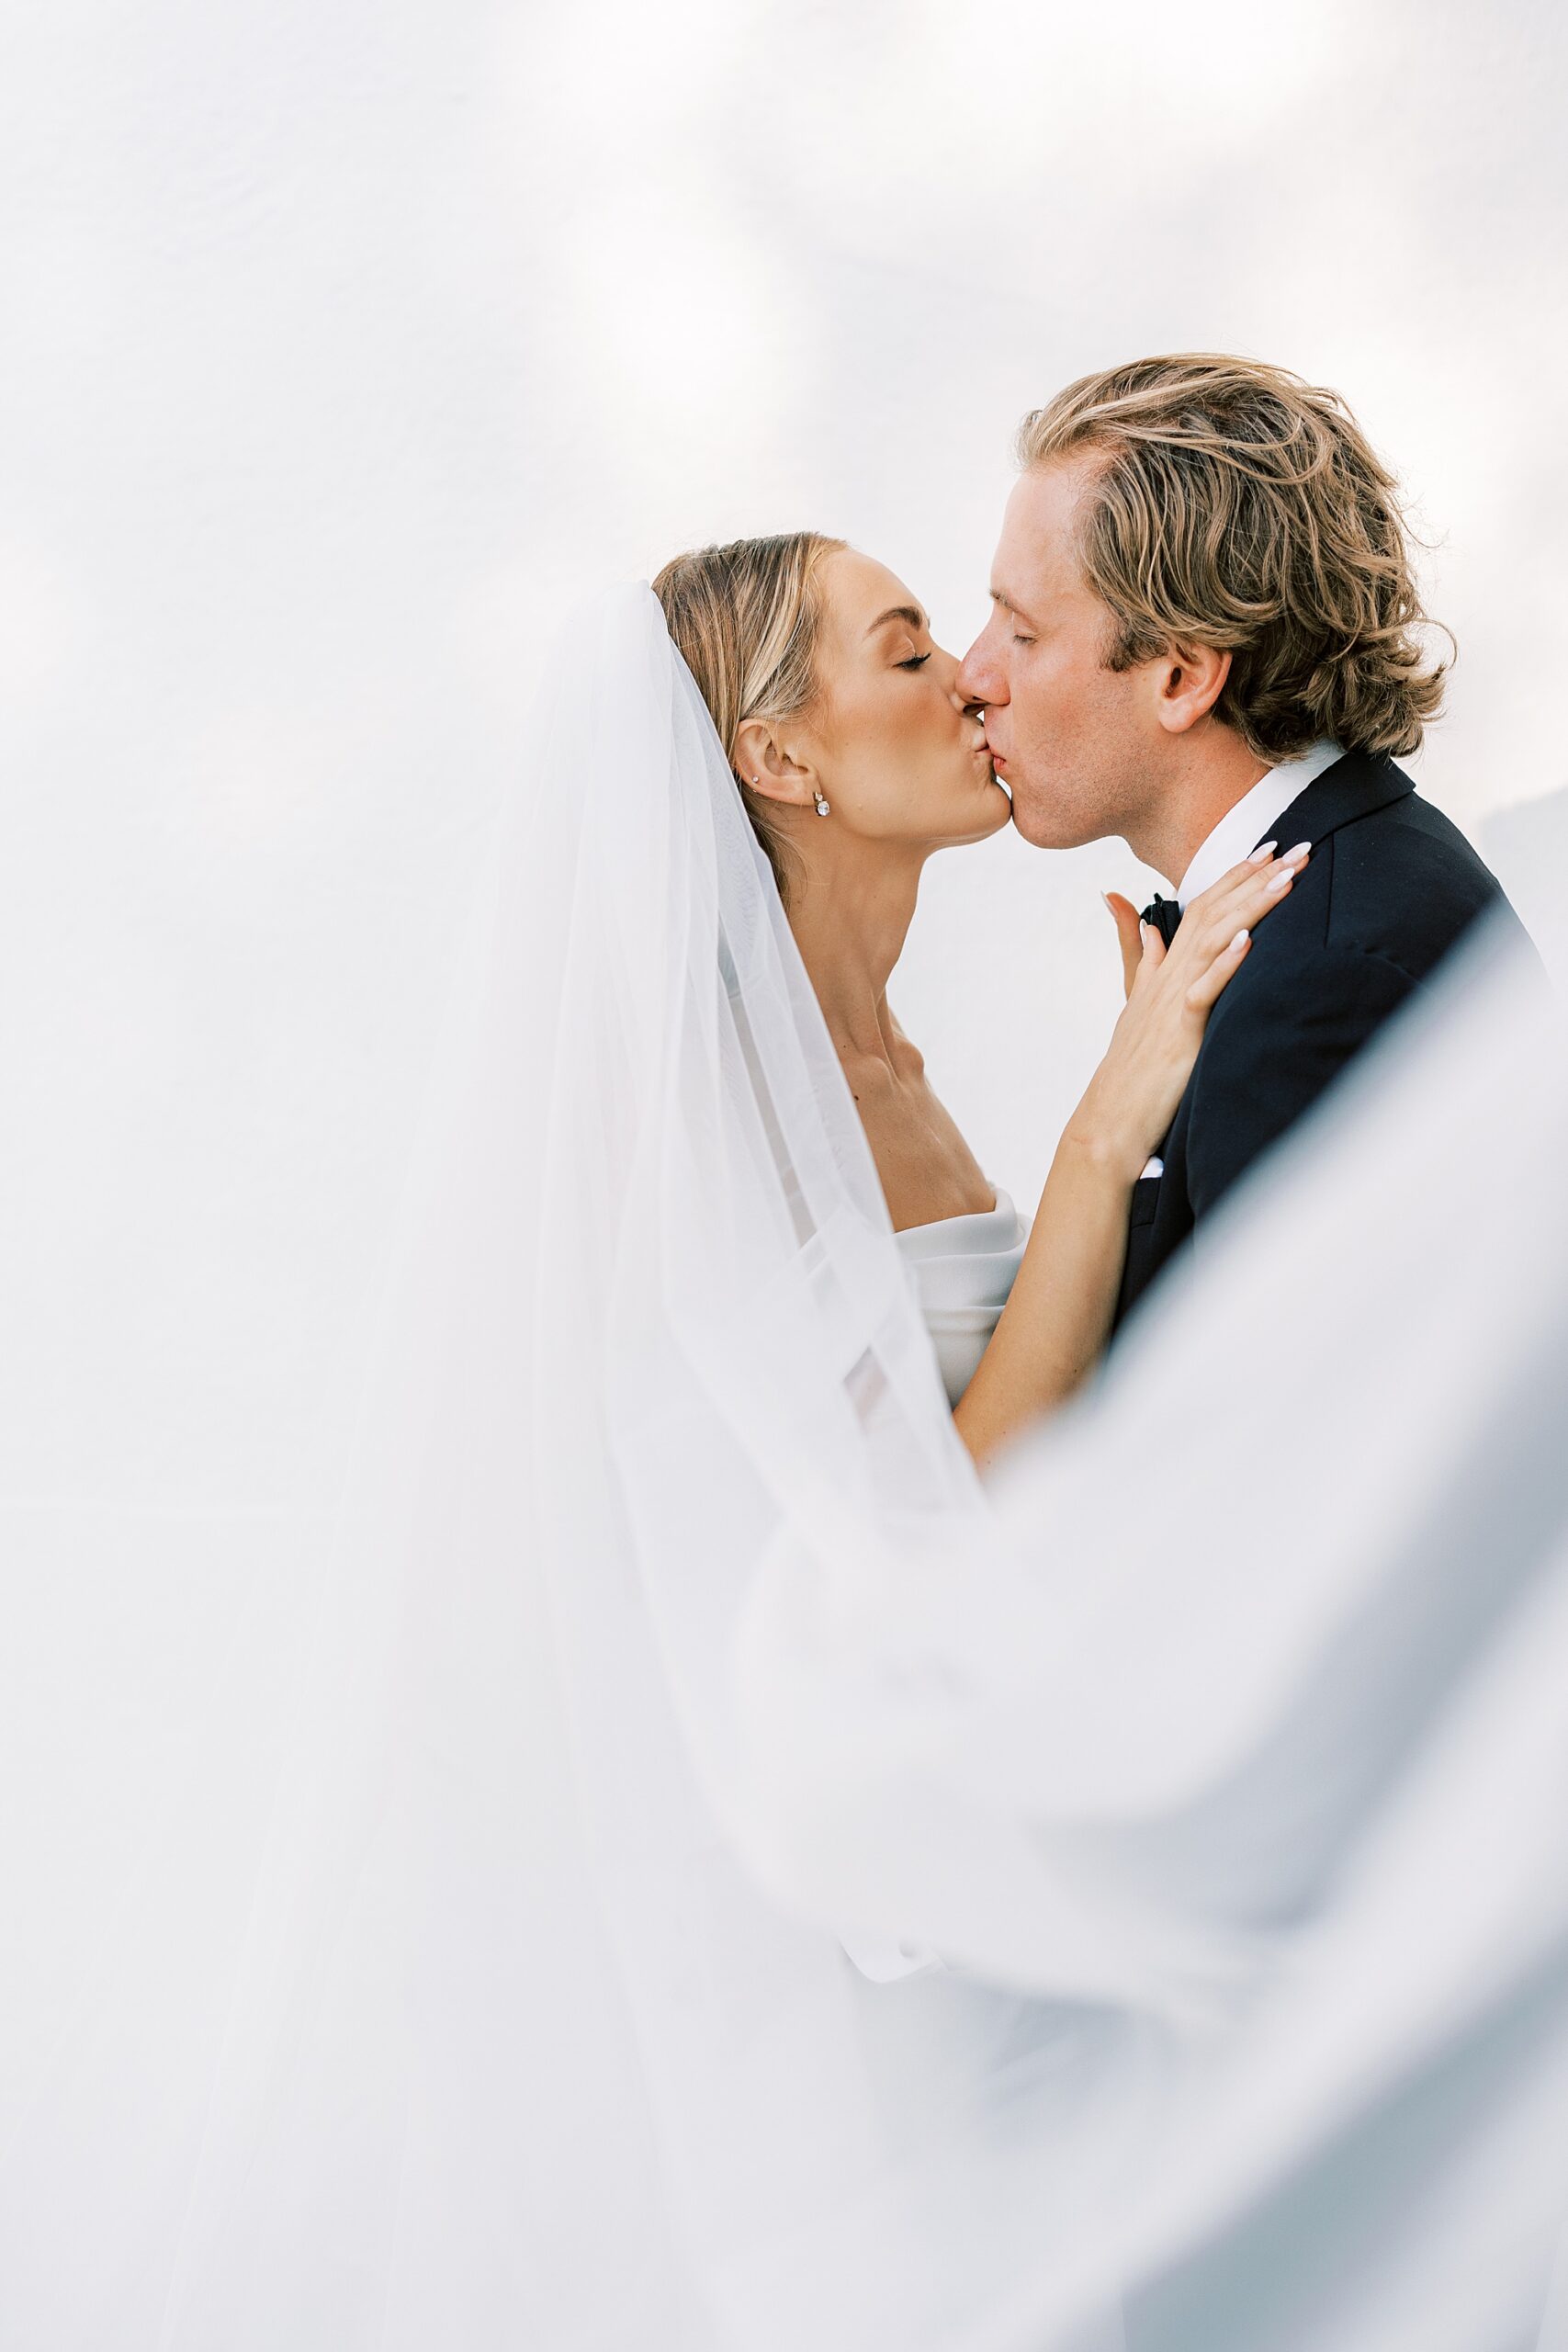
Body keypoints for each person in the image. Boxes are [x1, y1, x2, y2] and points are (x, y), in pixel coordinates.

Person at [654, 533, 1304, 1465]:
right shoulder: (735, 1114)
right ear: (781, 760)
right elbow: (933, 1528)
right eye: (909, 655)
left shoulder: (889, 1056)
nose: (970, 678)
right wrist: (1104, 1135)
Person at [956, 354, 1523, 1328]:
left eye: (1022, 632)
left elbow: (1277, 1458)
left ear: (1181, 677)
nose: (972, 674)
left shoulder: (1321, 983)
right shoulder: (1351, 880)